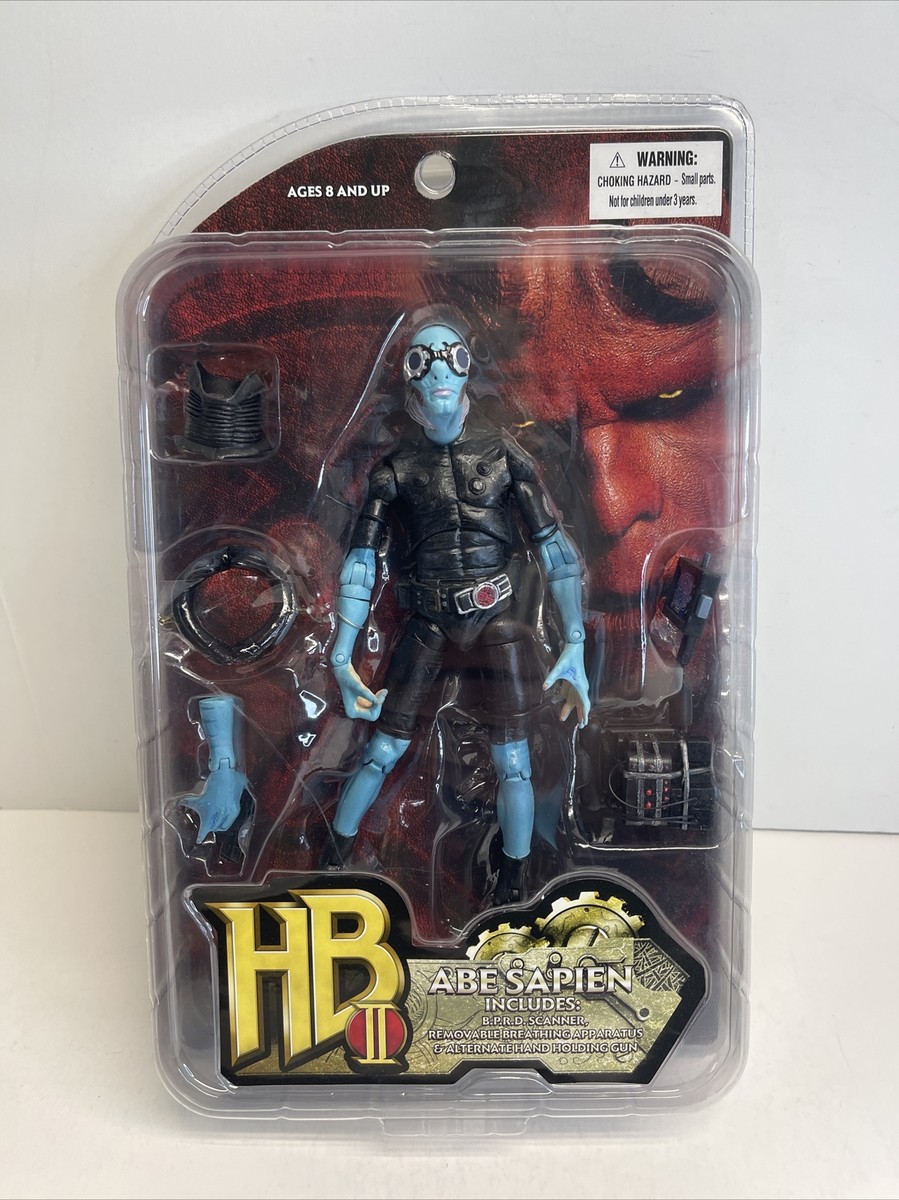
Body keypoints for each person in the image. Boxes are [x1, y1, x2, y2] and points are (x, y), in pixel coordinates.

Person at [324, 322, 590, 903]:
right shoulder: (395, 470)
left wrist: (574, 642)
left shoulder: (504, 454)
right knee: (382, 751)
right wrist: (341, 656)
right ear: (409, 378)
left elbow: (555, 550)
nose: (440, 369)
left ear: (469, 367)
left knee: (513, 761)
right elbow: (361, 562)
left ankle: (516, 883)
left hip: (499, 620)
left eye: (453, 357)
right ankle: (331, 857)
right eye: (424, 360)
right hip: (427, 619)